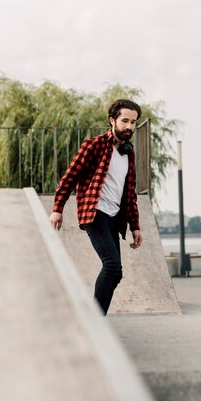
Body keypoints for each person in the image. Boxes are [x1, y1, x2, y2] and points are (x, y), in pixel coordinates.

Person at [49, 99, 143, 315]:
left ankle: (96, 316)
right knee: (111, 266)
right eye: (125, 121)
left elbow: (130, 194)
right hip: (94, 213)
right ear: (112, 120)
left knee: (116, 272)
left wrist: (135, 226)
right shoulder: (94, 145)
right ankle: (95, 320)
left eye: (133, 122)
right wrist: (58, 208)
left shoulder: (129, 153)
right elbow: (70, 177)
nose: (129, 127)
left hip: (115, 217)